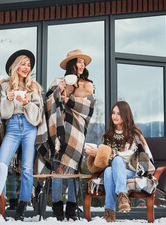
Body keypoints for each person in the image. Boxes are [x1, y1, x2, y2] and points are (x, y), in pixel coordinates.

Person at [0, 49, 47, 221]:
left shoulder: (35, 87)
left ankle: (21, 209)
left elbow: (38, 116)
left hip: (30, 127)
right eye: (23, 63)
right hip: (12, 126)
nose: (26, 67)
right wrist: (8, 99)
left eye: (28, 64)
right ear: (15, 66)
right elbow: (3, 114)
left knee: (27, 169)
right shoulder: (3, 85)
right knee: (1, 165)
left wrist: (27, 102)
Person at [45, 49, 96, 221]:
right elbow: (48, 102)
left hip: (77, 130)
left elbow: (89, 107)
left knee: (73, 167)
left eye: (83, 62)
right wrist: (58, 92)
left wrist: (70, 101)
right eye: (79, 62)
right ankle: (58, 209)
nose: (82, 65)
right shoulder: (58, 81)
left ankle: (72, 208)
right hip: (61, 129)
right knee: (58, 167)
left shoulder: (88, 84)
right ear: (71, 64)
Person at [85, 101, 154, 222]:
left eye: (119, 114)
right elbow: (104, 160)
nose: (115, 116)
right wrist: (96, 154)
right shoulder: (107, 135)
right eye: (113, 113)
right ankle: (111, 212)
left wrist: (108, 153)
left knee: (117, 160)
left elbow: (131, 155)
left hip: (132, 172)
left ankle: (120, 197)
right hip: (113, 172)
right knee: (108, 170)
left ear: (125, 116)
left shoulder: (134, 134)